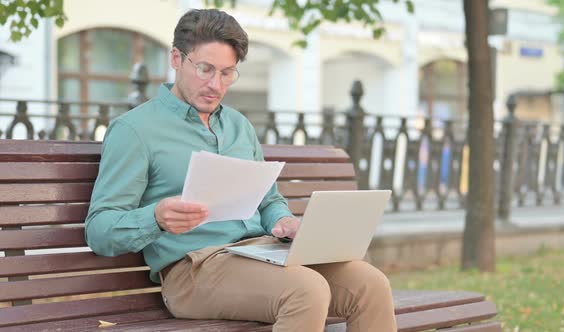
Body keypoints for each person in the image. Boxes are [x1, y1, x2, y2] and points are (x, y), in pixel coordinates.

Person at [85, 8, 397, 332]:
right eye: (205, 69)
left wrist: (283, 221)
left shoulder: (238, 126)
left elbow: (268, 200)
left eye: (226, 73)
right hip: (193, 270)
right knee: (306, 290)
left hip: (259, 254)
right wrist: (155, 217)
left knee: (370, 284)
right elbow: (100, 230)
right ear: (176, 58)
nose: (214, 84)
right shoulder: (135, 130)